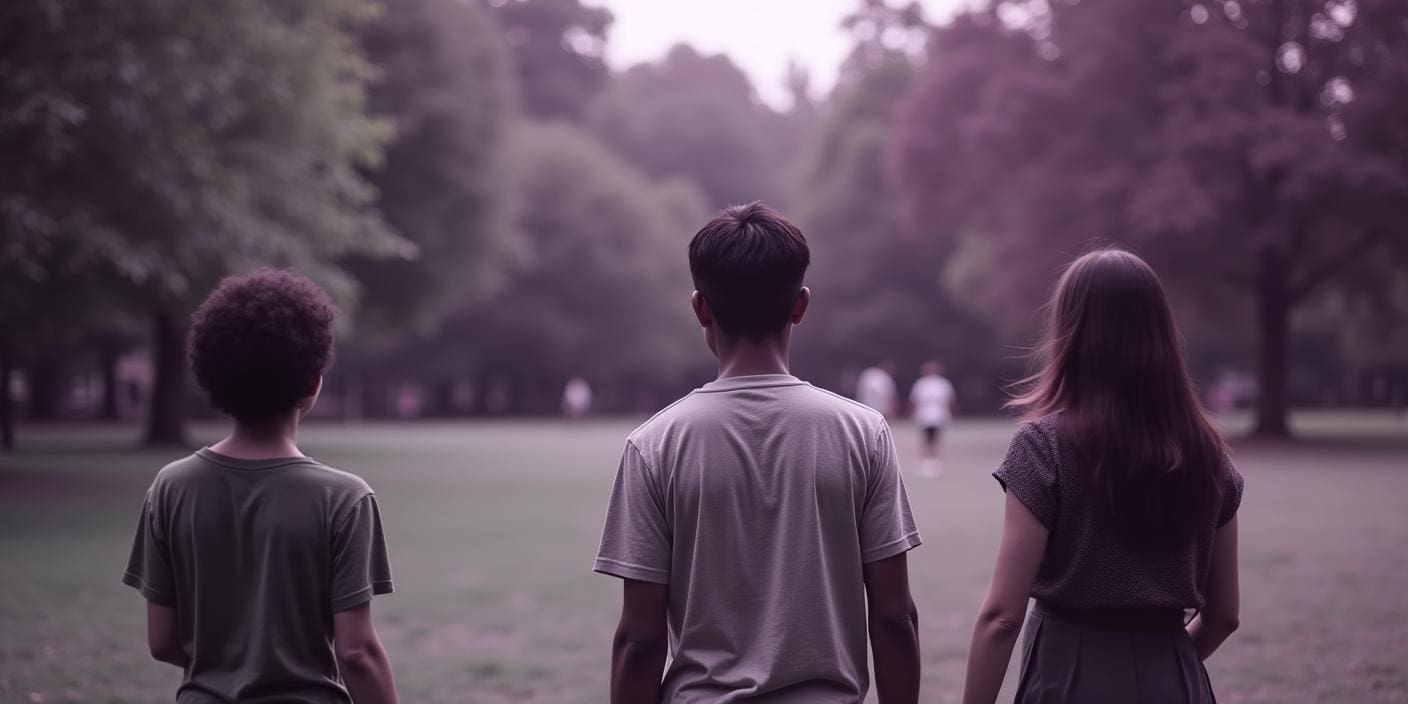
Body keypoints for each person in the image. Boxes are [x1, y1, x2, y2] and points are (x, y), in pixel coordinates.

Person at [595, 202, 923, 703]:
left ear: (701, 307)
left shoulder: (654, 445)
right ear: (801, 305)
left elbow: (639, 641)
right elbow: (895, 617)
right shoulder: (864, 433)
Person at [962, 249, 1244, 704]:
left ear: (1069, 332)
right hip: (1175, 677)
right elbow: (1225, 615)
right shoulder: (1209, 454)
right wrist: (1165, 670)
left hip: (1065, 675)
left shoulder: (1042, 445)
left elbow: (1002, 617)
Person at [122, 270, 400, 704]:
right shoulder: (344, 499)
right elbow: (357, 651)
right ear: (313, 383)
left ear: (211, 378)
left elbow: (162, 643)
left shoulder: (170, 487)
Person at [908, 360, 957, 477]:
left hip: (938, 416)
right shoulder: (920, 384)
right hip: (924, 416)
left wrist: (952, 413)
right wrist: (912, 413)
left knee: (936, 439)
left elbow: (950, 401)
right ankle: (925, 462)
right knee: (925, 439)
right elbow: (914, 400)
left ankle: (935, 462)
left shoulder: (943, 384)